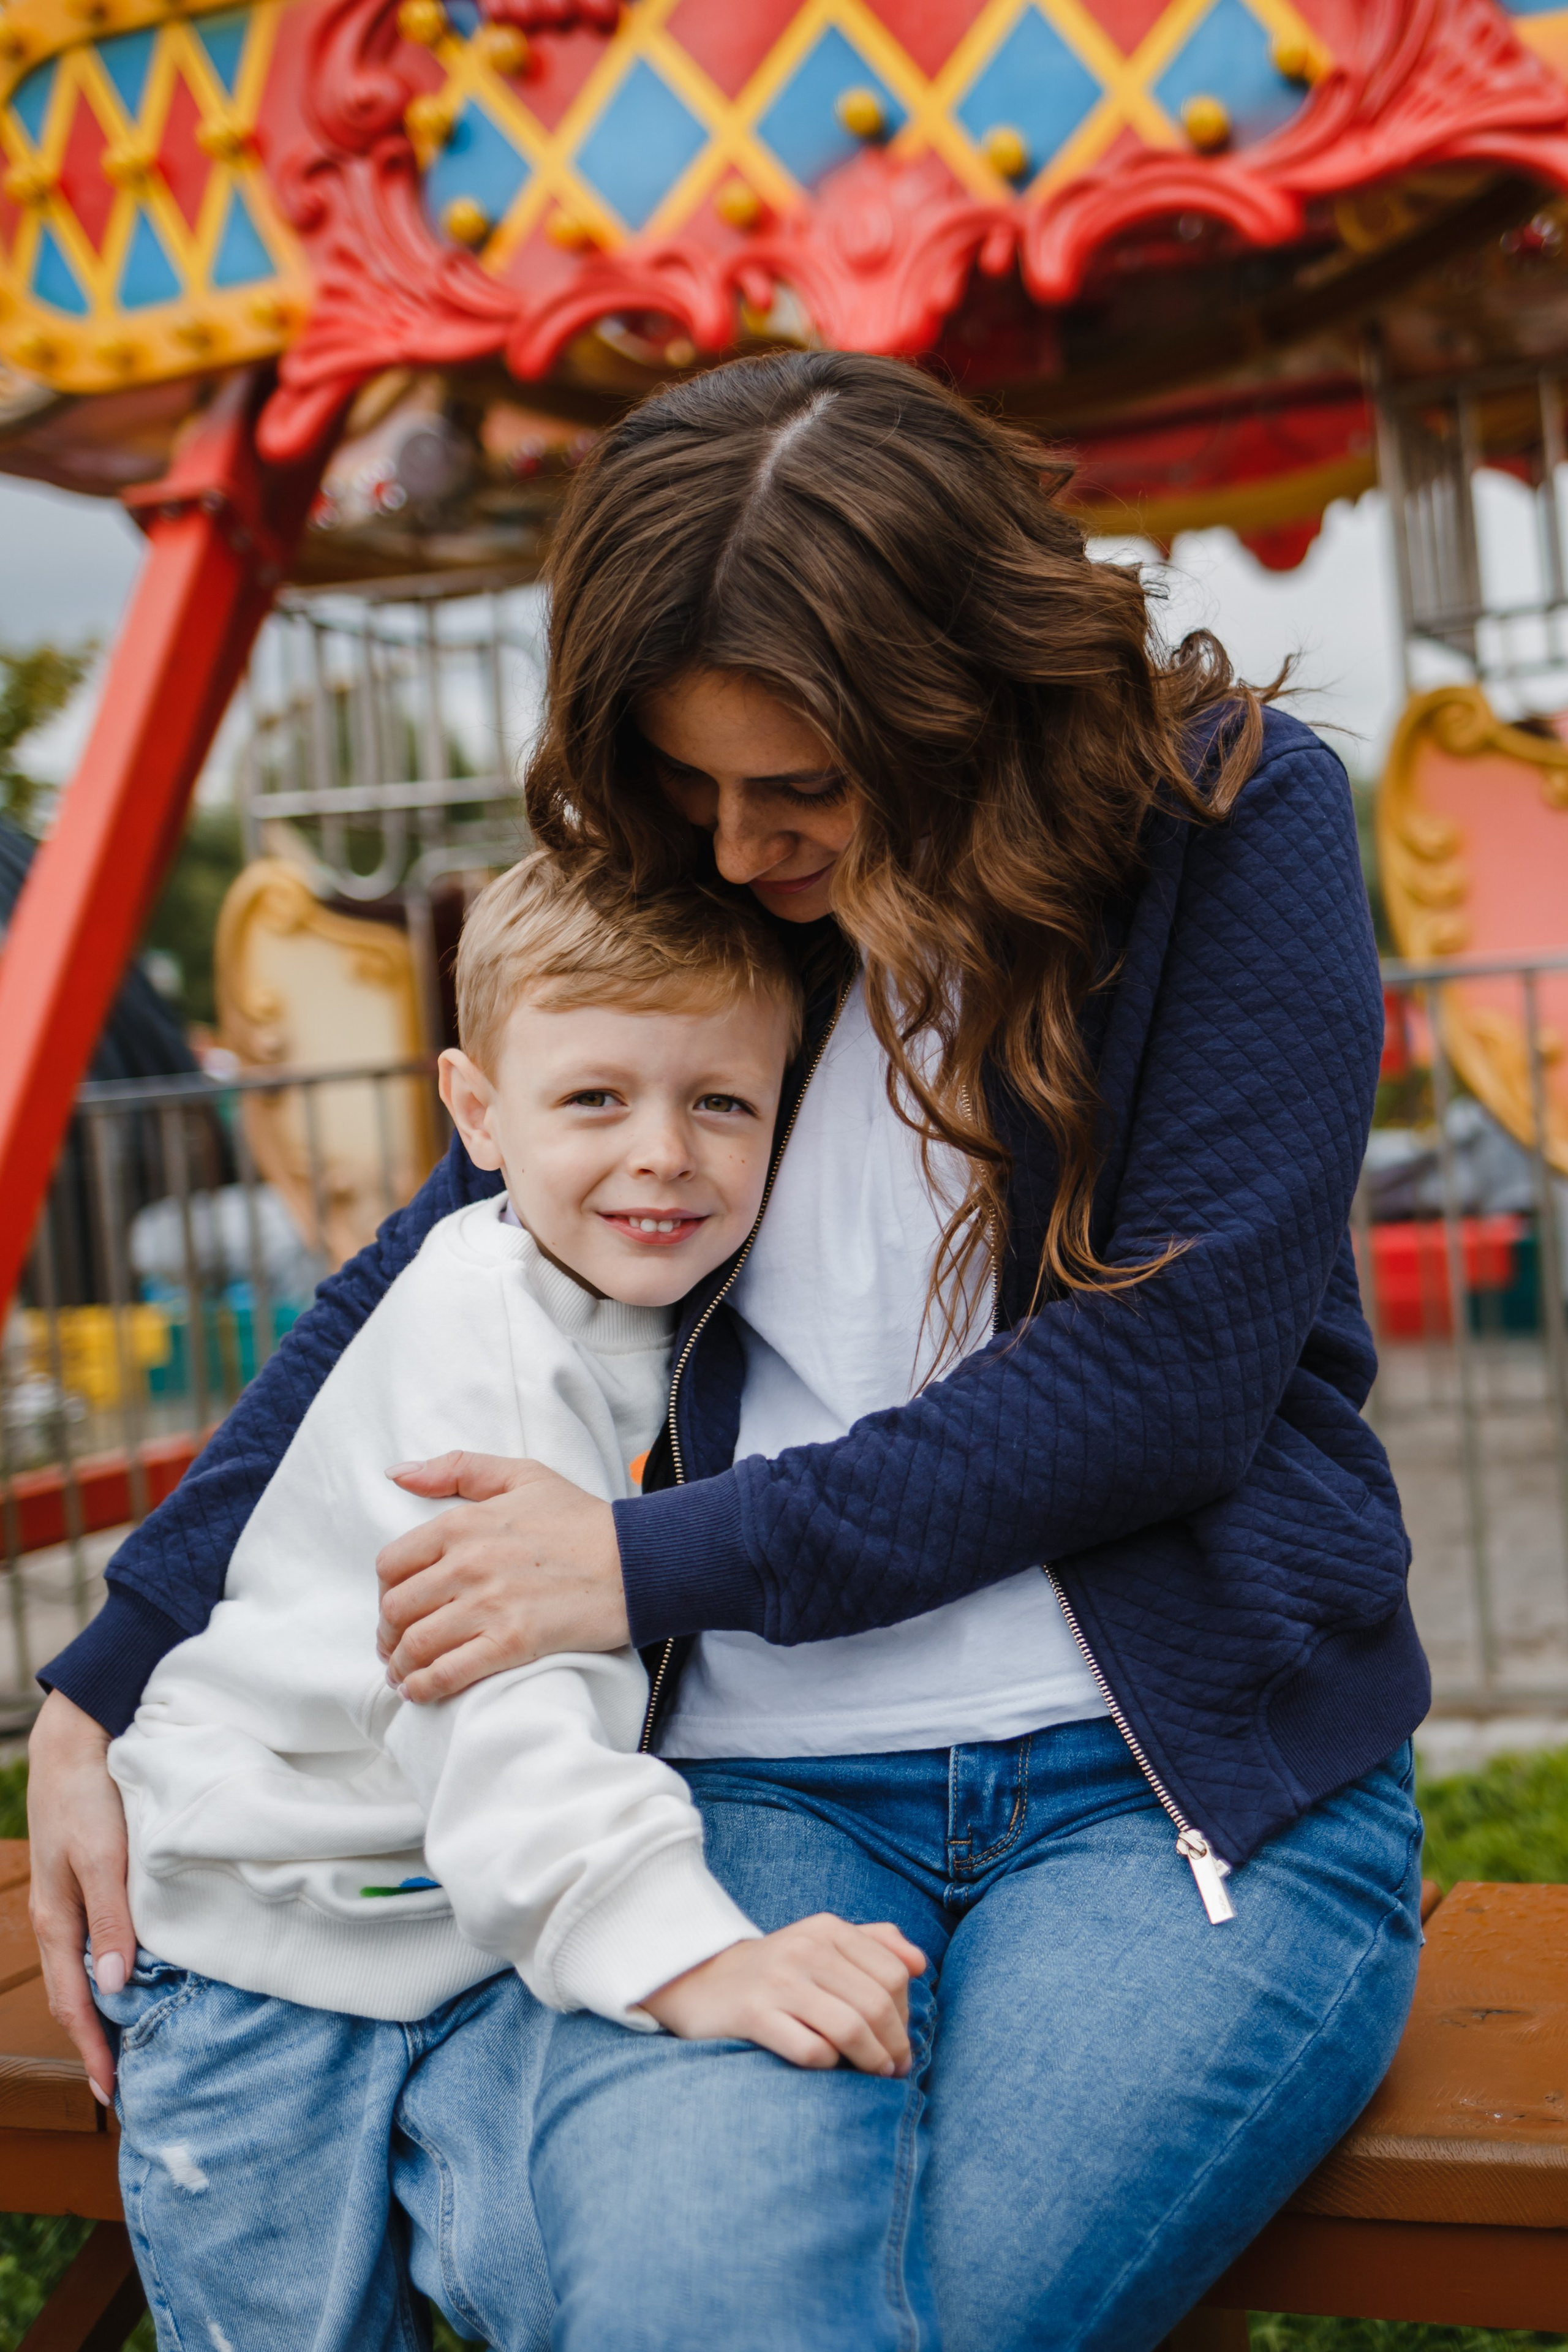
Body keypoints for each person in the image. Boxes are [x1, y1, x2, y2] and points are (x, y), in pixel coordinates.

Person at [33, 350, 1428, 2352]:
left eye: (804, 790)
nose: (742, 846)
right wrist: (114, 1669)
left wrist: (639, 1558)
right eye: (694, 788)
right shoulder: (714, 891)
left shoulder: (1222, 819)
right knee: (706, 2307)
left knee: (939, 2315)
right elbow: (432, 1263)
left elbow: (1171, 1371)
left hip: (1174, 1793)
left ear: (959, 704)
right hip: (750, 1788)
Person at [93, 852, 922, 2351]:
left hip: (468, 1930)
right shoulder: (484, 1336)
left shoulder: (659, 1308)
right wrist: (698, 1959)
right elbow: (499, 1697)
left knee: (583, 2275)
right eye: (594, 1099)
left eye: (720, 1103)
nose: (662, 1154)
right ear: (477, 1114)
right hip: (262, 1945)